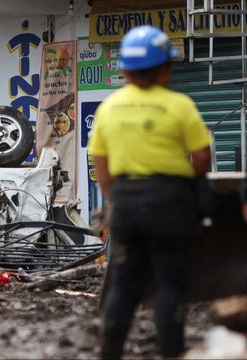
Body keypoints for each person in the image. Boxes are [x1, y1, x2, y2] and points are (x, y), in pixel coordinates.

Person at [88, 25, 212, 359]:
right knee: (169, 284)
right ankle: (172, 352)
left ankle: (109, 351)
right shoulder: (179, 105)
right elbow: (202, 158)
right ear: (164, 70)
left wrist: (116, 198)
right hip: (170, 203)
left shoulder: (109, 108)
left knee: (126, 282)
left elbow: (101, 164)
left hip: (126, 202)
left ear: (125, 71)